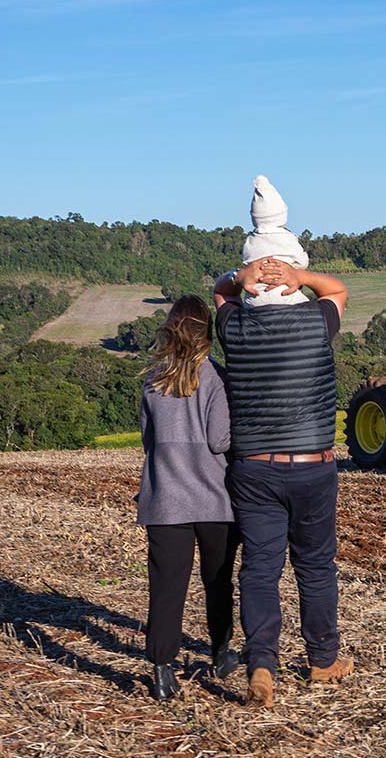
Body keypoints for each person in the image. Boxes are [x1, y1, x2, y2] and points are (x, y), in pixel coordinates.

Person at [213, 258, 353, 709]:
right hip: (313, 465)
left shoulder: (234, 330)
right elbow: (338, 290)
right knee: (314, 566)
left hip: (254, 469)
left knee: (260, 568)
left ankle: (260, 666)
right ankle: (323, 660)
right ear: (291, 289)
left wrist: (241, 277)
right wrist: (303, 278)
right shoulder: (316, 322)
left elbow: (222, 291)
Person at [134, 295, 240, 700]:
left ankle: (162, 670)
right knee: (217, 581)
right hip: (215, 499)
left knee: (166, 586)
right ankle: (220, 653)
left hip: (165, 501)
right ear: (207, 331)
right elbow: (219, 440)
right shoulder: (216, 378)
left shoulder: (153, 380)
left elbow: (149, 441)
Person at [240, 175, 311, 308]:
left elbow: (246, 263)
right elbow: (302, 263)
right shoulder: (288, 238)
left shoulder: (250, 240)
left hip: (256, 297)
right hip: (286, 294)